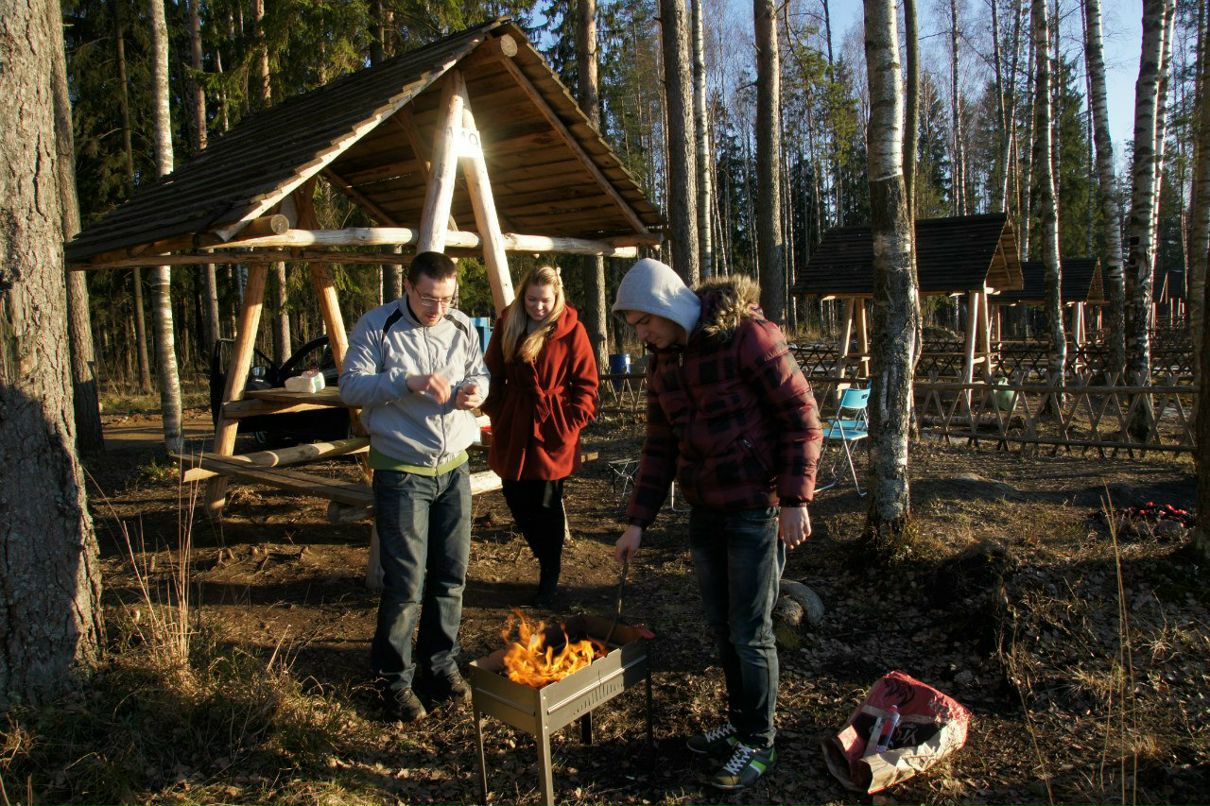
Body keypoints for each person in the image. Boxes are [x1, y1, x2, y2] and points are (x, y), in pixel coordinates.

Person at [611, 258, 823, 791]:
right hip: (705, 509)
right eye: (634, 326)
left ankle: (759, 741)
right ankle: (739, 721)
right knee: (722, 627)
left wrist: (795, 499)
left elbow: (801, 417)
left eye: (644, 322)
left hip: (755, 507)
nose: (642, 335)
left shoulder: (747, 336)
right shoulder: (663, 362)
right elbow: (659, 446)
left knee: (750, 631)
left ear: (665, 305)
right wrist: (637, 521)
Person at [339, 251, 489, 723]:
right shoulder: (377, 325)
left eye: (446, 299)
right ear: (408, 287)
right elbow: (350, 387)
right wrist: (408, 381)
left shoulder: (461, 326)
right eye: (428, 298)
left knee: (451, 575)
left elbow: (479, 373)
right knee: (405, 583)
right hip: (402, 469)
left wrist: (476, 392)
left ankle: (439, 664)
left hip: (454, 467)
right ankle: (392, 680)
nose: (437, 309)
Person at [481, 265, 599, 607]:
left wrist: (569, 421)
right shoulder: (509, 322)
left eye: (545, 300)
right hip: (515, 422)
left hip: (552, 427)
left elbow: (587, 384)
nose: (538, 306)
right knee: (514, 494)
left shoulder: (571, 329)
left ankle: (550, 573)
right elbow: (491, 372)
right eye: (532, 299)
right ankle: (544, 556)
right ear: (523, 296)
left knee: (547, 503)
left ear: (556, 296)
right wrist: (497, 410)